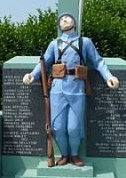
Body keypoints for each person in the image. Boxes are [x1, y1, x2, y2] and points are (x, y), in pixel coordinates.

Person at [23, 13, 119, 167]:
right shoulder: (54, 44)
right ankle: (64, 154)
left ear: (74, 22)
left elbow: (98, 61)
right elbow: (44, 63)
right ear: (59, 25)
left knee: (74, 127)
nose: (64, 20)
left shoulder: (85, 42)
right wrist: (32, 76)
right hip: (57, 89)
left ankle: (74, 154)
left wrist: (109, 77)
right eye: (61, 19)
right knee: (58, 127)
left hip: (77, 88)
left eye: (67, 18)